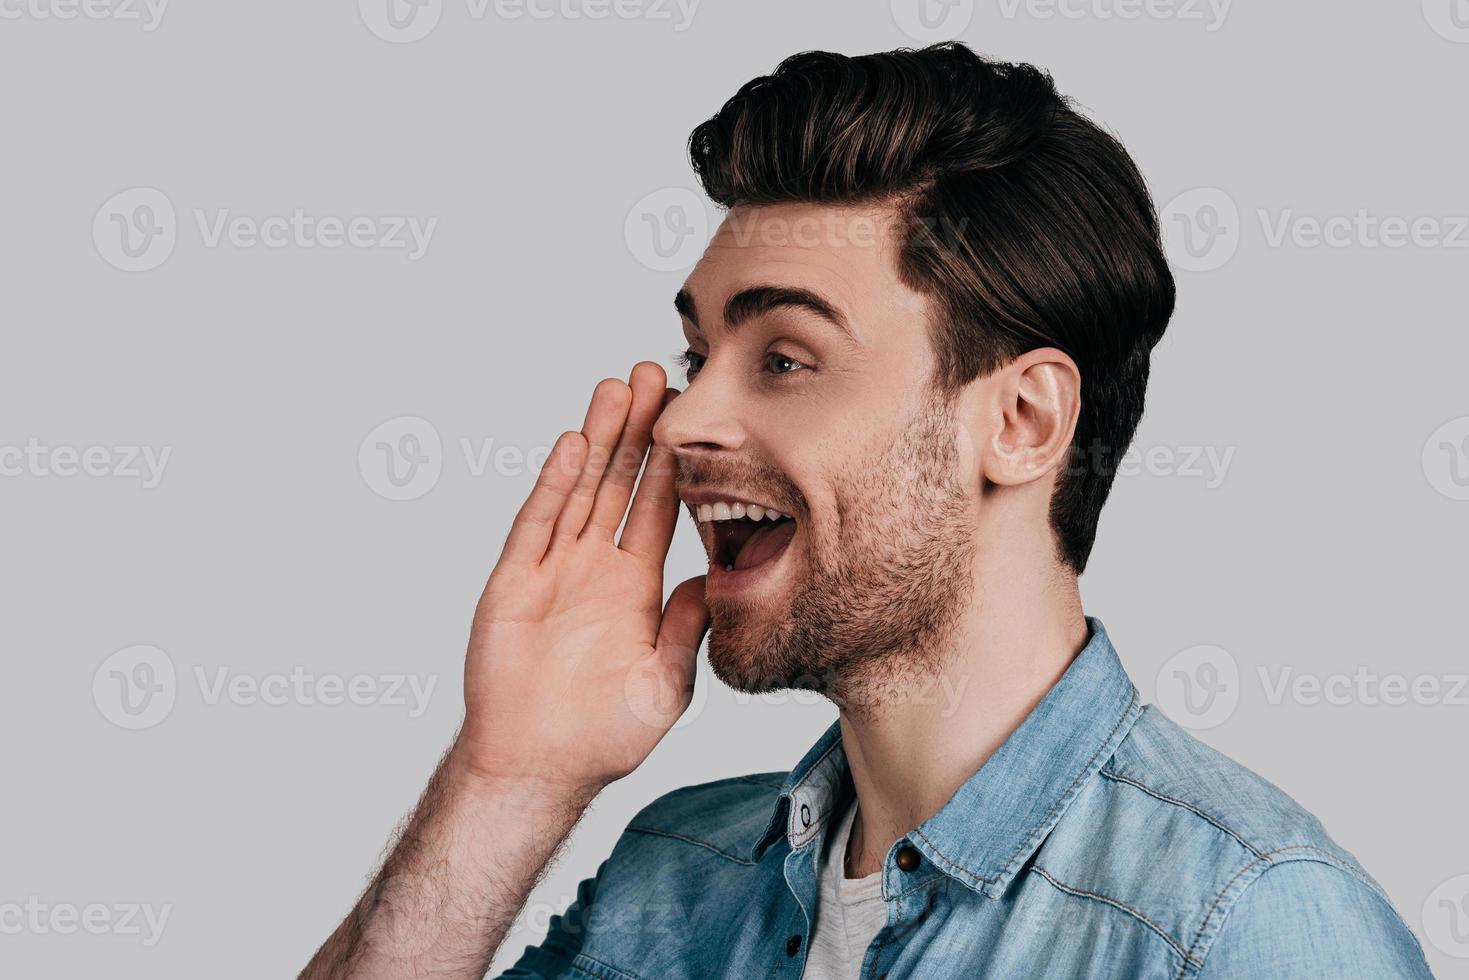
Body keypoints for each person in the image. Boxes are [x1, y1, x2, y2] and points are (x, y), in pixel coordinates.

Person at [301, 43, 1433, 979]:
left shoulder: (1239, 927)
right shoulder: (673, 873)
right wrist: (509, 781)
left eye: (784, 357)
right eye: (694, 354)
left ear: (1022, 420)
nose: (684, 417)